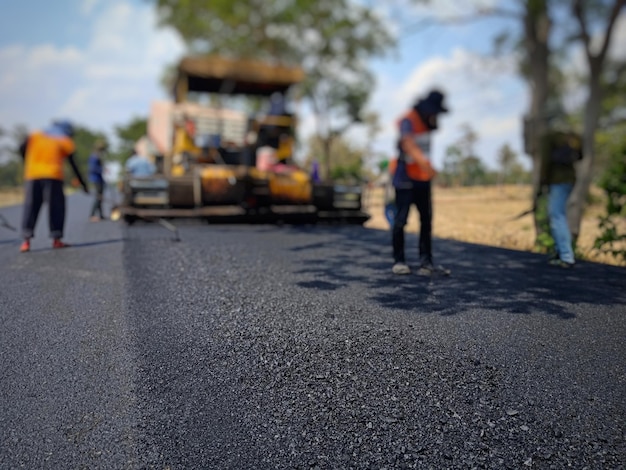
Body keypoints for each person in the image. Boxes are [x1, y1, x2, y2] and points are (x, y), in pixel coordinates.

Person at [390, 90, 449, 275]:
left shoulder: (427, 124)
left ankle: (426, 263)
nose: (435, 116)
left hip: (422, 180)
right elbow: (408, 144)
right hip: (405, 179)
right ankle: (399, 261)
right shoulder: (408, 119)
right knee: (401, 220)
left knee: (426, 221)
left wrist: (427, 170)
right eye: (434, 112)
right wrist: (427, 166)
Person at [19, 120, 89, 253]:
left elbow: (21, 149)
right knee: (56, 207)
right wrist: (83, 184)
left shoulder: (35, 135)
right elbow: (74, 164)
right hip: (53, 176)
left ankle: (26, 241)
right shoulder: (64, 140)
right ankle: (56, 239)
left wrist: (28, 162)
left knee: (31, 206)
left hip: (32, 175)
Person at [539, 129, 582, 268]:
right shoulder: (571, 136)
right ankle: (560, 252)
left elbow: (545, 161)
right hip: (570, 179)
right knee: (558, 214)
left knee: (557, 215)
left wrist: (542, 182)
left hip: (558, 181)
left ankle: (566, 256)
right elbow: (580, 155)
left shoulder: (548, 137)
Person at [88, 139, 108, 221]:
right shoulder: (94, 157)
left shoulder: (98, 156)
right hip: (96, 179)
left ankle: (101, 215)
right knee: (98, 197)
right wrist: (102, 170)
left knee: (101, 197)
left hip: (99, 179)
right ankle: (92, 215)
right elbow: (93, 169)